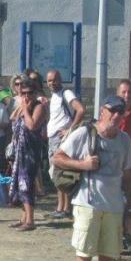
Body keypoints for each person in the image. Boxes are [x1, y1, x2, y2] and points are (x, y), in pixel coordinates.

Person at [53, 95, 131, 261]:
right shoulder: (84, 133)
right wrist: (82, 165)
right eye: (113, 111)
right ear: (102, 111)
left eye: (121, 112)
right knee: (84, 255)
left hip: (114, 207)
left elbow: (130, 176)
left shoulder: (124, 140)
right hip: (87, 204)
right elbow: (57, 158)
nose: (117, 116)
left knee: (107, 258)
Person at [8, 79, 47, 231]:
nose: (26, 96)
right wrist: (22, 107)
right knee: (20, 184)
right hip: (20, 151)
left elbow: (32, 125)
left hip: (31, 152)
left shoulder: (39, 107)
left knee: (27, 184)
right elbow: (12, 118)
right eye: (23, 93)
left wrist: (25, 109)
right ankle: (23, 218)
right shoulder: (25, 106)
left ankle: (30, 220)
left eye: (30, 93)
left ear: (35, 93)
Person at [46, 69, 85, 219]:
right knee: (56, 174)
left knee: (62, 174)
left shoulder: (66, 93)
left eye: (54, 80)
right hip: (52, 138)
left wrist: (70, 129)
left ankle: (66, 208)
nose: (52, 83)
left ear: (60, 80)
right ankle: (60, 207)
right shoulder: (54, 96)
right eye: (49, 80)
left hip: (61, 139)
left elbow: (80, 110)